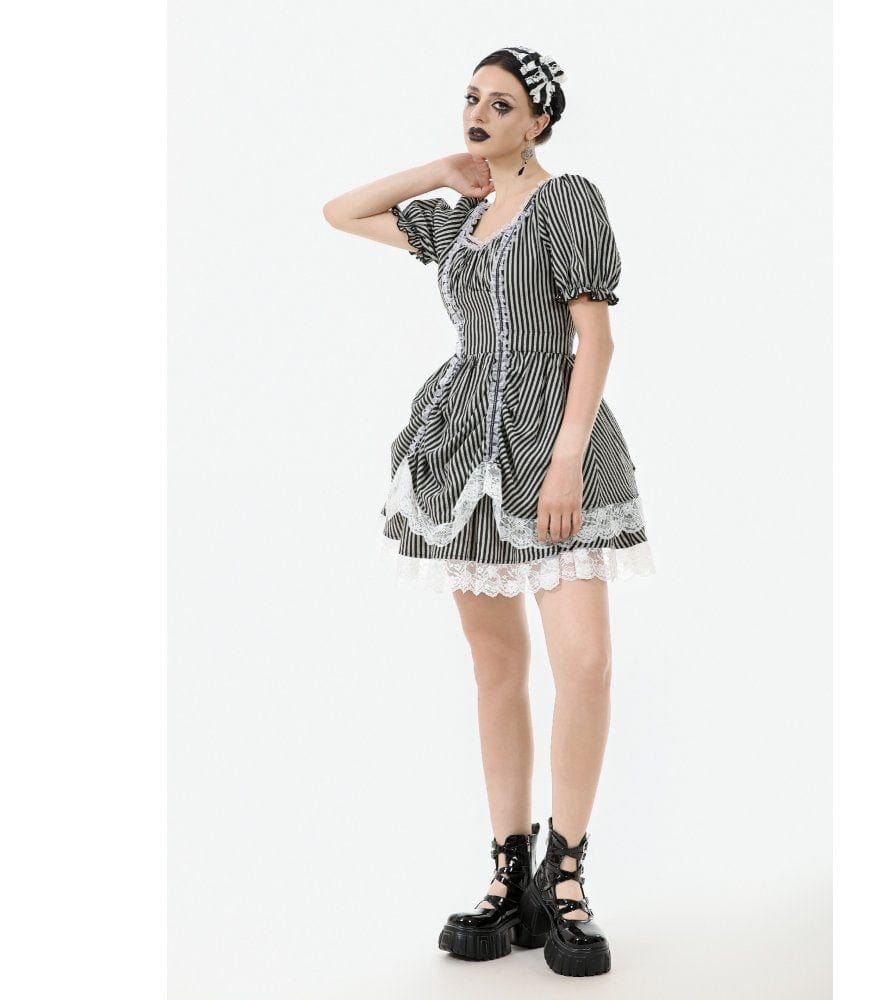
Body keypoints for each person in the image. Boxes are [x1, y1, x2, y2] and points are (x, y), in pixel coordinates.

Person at [322, 45, 655, 978]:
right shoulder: (461, 217)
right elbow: (342, 211)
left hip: (553, 441)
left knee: (584, 662)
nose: (479, 114)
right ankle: (509, 874)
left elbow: (596, 340)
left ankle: (566, 876)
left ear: (539, 121)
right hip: (465, 444)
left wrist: (566, 460)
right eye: (472, 98)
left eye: (502, 104)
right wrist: (439, 170)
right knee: (496, 665)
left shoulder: (567, 201)